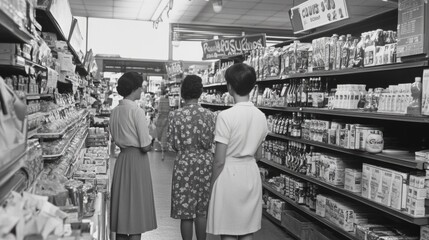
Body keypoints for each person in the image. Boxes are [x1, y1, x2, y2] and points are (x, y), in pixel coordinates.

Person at [206, 63, 268, 240]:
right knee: (246, 229)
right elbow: (259, 155)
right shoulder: (261, 116)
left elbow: (219, 160)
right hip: (250, 174)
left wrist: (211, 186)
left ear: (230, 87)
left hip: (228, 175)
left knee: (228, 230)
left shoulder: (225, 116)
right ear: (252, 86)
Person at [109, 72, 157, 240]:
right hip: (137, 162)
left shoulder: (115, 111)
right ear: (134, 89)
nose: (142, 91)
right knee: (136, 212)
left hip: (122, 161)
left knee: (122, 210)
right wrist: (153, 138)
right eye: (140, 87)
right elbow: (145, 146)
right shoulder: (136, 111)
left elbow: (114, 138)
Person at [167, 75, 216, 240]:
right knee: (201, 210)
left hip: (184, 163)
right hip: (204, 163)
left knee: (185, 211)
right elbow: (211, 141)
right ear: (200, 92)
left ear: (183, 93)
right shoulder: (210, 115)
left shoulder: (175, 115)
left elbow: (172, 144)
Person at [155, 86, 170, 159]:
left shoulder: (161, 99)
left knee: (161, 133)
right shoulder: (168, 99)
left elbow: (159, 110)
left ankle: (163, 150)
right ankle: (164, 149)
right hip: (167, 117)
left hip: (161, 118)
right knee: (165, 133)